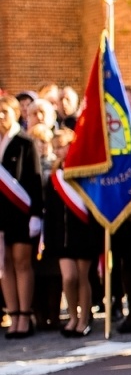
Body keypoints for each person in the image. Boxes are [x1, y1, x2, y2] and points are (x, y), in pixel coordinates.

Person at [45, 128, 99, 337]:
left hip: (83, 235)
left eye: (63, 146)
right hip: (62, 236)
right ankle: (73, 316)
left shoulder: (85, 173)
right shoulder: (54, 176)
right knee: (68, 277)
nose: (59, 151)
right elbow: (50, 210)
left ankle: (84, 318)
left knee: (82, 277)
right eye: (56, 147)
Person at [0, 94, 42, 339]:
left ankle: (25, 316)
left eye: (5, 112)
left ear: (16, 113)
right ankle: (13, 314)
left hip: (21, 215)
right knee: (3, 265)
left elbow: (34, 180)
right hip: (1, 216)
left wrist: (36, 214)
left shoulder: (25, 142)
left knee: (21, 263)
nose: (0, 117)